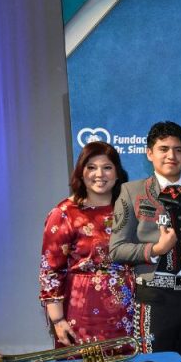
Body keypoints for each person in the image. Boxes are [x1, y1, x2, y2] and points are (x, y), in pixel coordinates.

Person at [110, 121, 181, 362]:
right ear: (149, 153)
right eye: (163, 148)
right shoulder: (131, 192)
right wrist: (155, 249)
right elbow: (116, 249)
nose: (171, 155)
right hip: (154, 297)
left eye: (178, 150)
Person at [40, 141, 133, 346]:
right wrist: (57, 320)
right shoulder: (65, 213)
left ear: (117, 173)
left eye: (107, 167)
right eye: (91, 167)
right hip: (81, 312)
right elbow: (50, 272)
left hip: (128, 311)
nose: (99, 174)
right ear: (81, 172)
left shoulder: (129, 210)